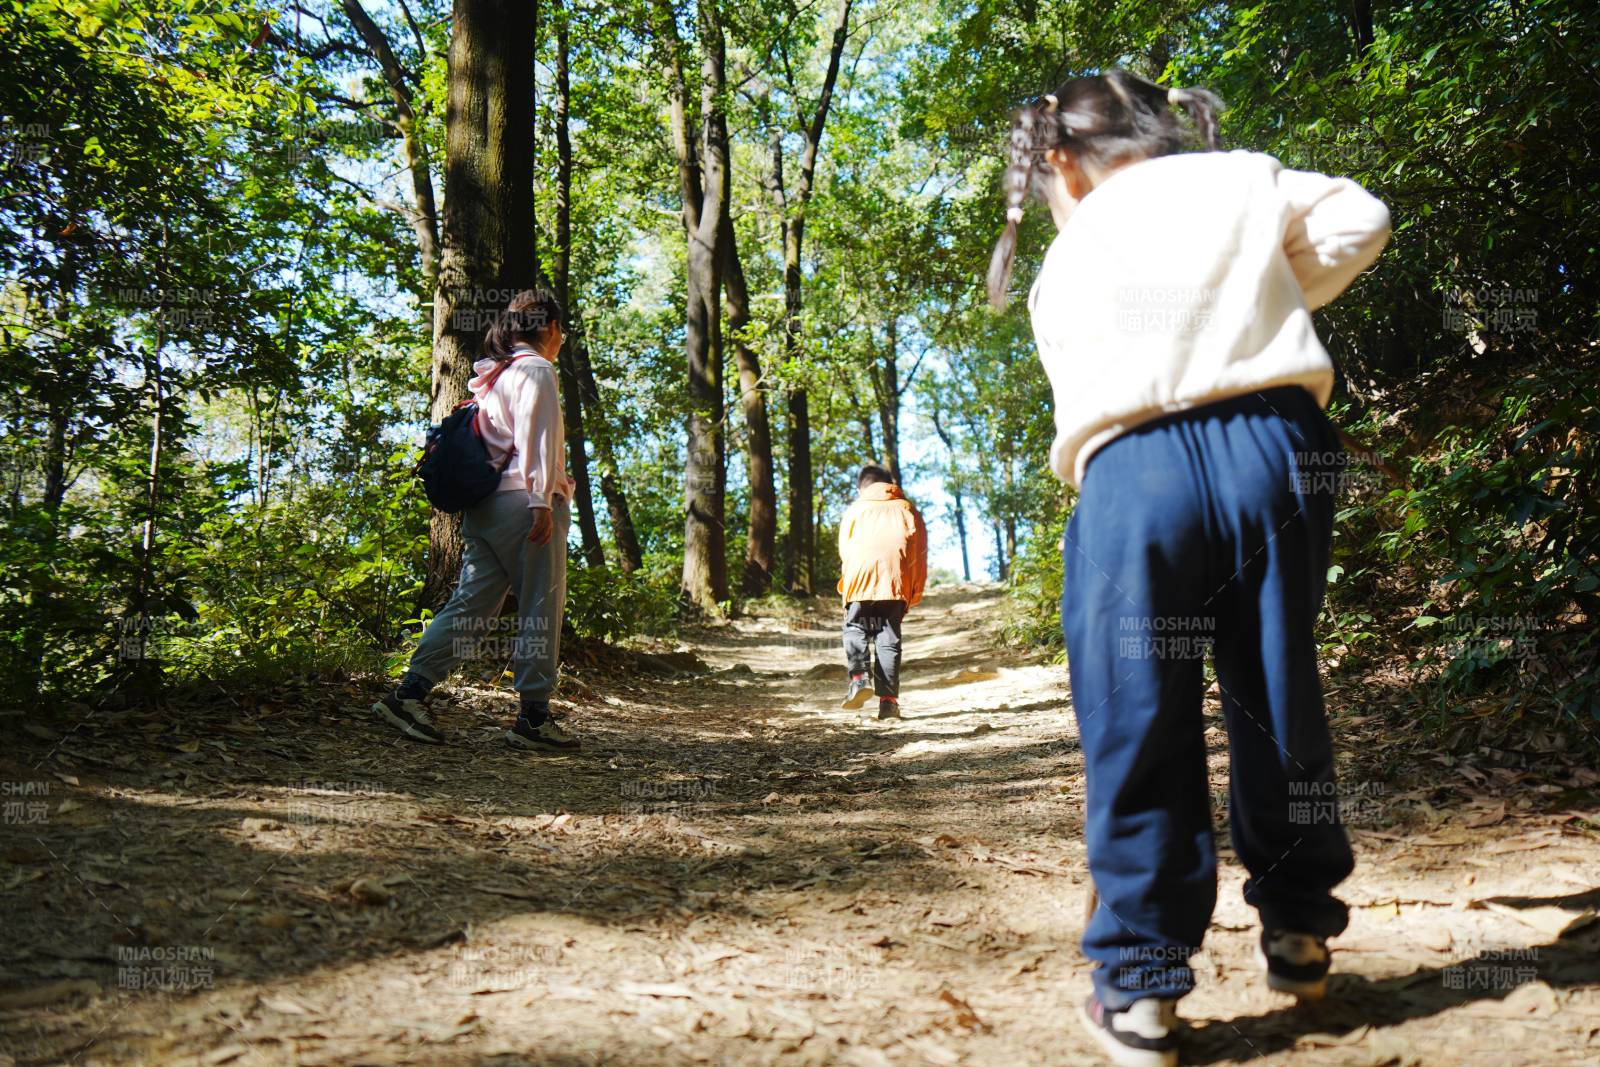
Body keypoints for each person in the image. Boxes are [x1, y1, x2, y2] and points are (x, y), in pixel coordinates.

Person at [988, 71, 1390, 1066]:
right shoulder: (1236, 178)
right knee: (1275, 689)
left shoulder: (1065, 257)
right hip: (1274, 444)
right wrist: (1271, 290)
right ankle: (1298, 926)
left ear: (1059, 160)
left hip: (1133, 473)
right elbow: (1361, 216)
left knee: (1137, 715)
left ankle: (1139, 987)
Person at [372, 289, 582, 752]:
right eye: (561, 330)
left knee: (471, 607)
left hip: (485, 509)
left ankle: (408, 694)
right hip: (525, 507)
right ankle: (533, 717)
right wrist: (542, 500)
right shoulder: (537, 369)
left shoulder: (494, 375)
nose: (561, 340)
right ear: (548, 329)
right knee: (539, 609)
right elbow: (537, 440)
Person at [836, 463, 928, 720]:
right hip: (895, 582)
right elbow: (919, 554)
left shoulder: (855, 509)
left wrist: (848, 587)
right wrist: (914, 592)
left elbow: (845, 552)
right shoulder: (907, 508)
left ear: (861, 487)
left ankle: (858, 678)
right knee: (888, 637)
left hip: (859, 580)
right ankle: (888, 703)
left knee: (855, 627)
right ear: (891, 484)